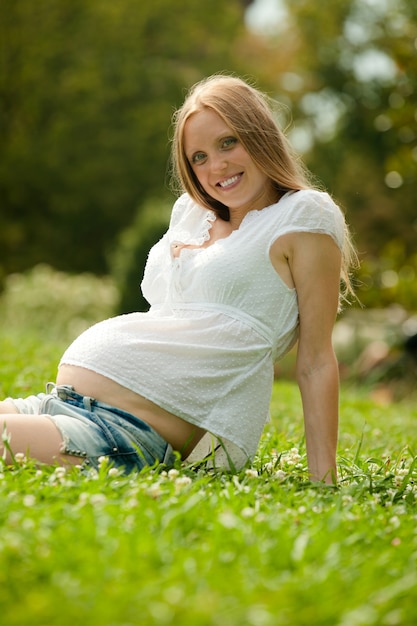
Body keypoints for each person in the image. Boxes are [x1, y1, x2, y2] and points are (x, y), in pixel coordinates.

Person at [0, 75, 357, 483]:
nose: (216, 166)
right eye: (199, 157)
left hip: (134, 432)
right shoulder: (191, 212)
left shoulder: (303, 216)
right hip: (64, 403)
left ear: (261, 136)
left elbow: (314, 361)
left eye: (228, 142)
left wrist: (324, 481)